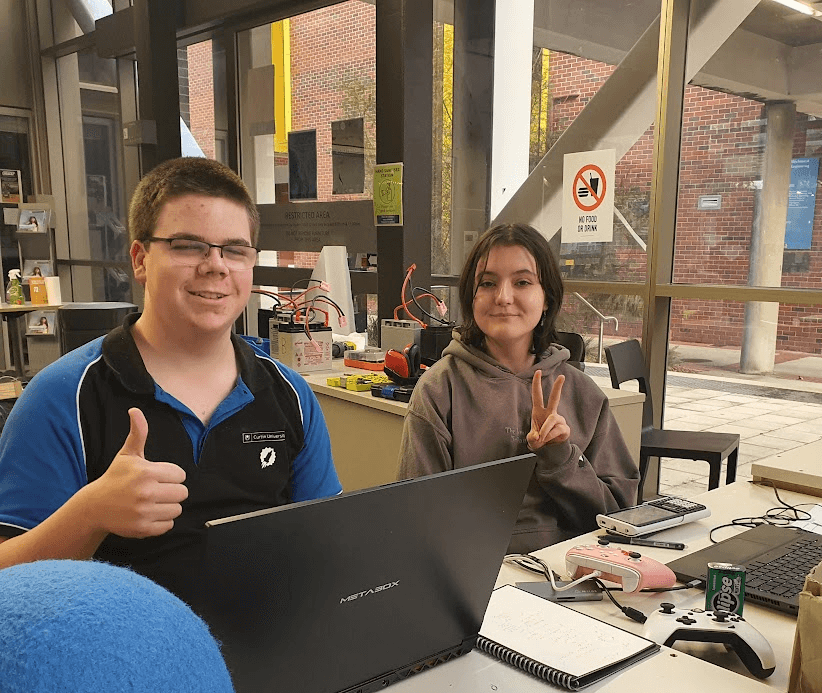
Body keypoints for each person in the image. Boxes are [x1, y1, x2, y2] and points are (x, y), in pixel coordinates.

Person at [0, 157, 341, 604]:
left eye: (235, 250)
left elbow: (327, 546)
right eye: (188, 246)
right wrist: (90, 514)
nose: (216, 266)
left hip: (267, 641)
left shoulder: (291, 396)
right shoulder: (63, 396)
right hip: (121, 645)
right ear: (140, 260)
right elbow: (7, 582)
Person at [397, 223, 639, 554]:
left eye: (522, 282)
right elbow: (417, 518)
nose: (503, 297)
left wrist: (561, 457)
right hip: (474, 574)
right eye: (487, 283)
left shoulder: (583, 393)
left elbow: (620, 517)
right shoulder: (440, 390)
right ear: (471, 296)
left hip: (575, 572)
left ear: (547, 298)